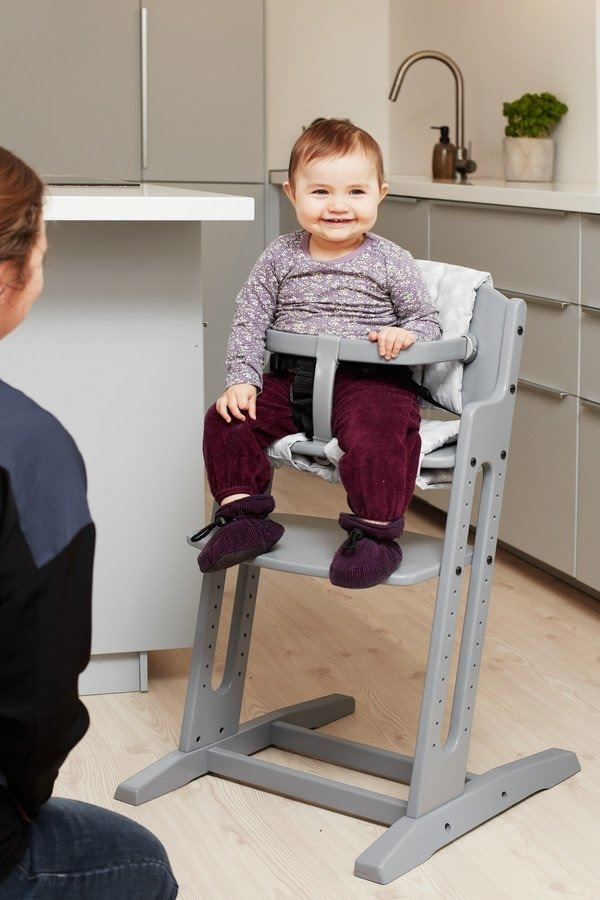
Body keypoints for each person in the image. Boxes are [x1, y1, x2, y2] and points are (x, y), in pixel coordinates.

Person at [0, 146, 178, 898]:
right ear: (10, 275)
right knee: (142, 863)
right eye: (43, 252)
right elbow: (37, 705)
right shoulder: (28, 453)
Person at [197, 119, 441, 590]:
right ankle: (244, 518)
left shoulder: (391, 259)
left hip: (370, 381)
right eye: (321, 191)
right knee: (224, 419)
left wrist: (404, 334)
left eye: (355, 192)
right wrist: (243, 378)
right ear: (292, 194)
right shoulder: (279, 256)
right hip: (292, 381)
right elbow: (249, 318)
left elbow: (426, 322)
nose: (338, 205)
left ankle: (375, 534)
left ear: (380, 194)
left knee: (380, 432)